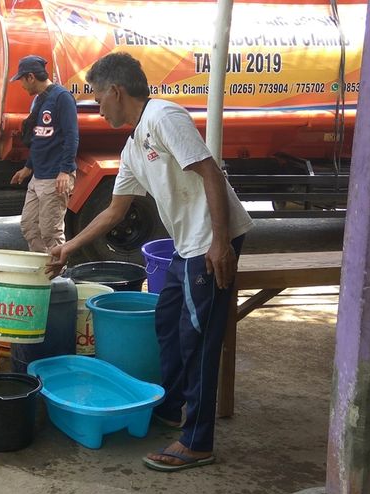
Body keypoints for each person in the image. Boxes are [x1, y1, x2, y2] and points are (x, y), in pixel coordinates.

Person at [47, 53, 253, 472]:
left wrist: (219, 243)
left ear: (116, 91)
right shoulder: (133, 143)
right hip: (187, 243)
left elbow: (211, 173)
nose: (97, 106)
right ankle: (173, 407)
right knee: (169, 325)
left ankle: (197, 442)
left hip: (210, 240)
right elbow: (113, 211)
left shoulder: (163, 116)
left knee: (198, 339)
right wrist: (67, 248)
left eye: (97, 97)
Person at [10, 55, 78, 253]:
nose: (21, 85)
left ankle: (58, 276)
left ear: (30, 77)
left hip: (54, 176)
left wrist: (65, 171)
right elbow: (38, 138)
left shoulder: (62, 98)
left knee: (50, 231)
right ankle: (44, 270)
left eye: (21, 79)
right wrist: (27, 167)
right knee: (30, 227)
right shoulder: (39, 100)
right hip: (38, 175)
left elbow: (72, 136)